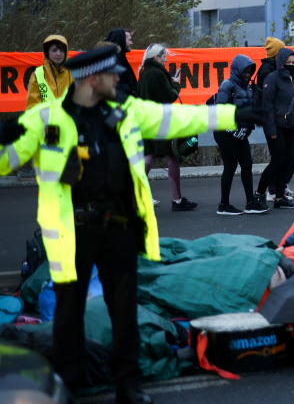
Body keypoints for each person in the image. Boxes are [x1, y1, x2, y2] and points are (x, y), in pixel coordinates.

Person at [0, 45, 254, 403]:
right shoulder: (45, 119)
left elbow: (176, 118)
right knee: (68, 313)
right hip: (72, 233)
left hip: (119, 230)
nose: (119, 79)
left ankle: (128, 384)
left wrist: (231, 114)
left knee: (124, 312)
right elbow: (7, 160)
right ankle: (70, 382)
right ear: (92, 78)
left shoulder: (126, 112)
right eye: (113, 74)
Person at [137, 43, 196, 212]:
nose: (165, 59)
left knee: (148, 158)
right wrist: (176, 84)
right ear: (155, 57)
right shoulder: (157, 74)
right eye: (163, 56)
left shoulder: (144, 73)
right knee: (172, 158)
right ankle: (177, 200)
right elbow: (169, 96)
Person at [213, 54, 268, 215]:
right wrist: (234, 130)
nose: (247, 74)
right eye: (244, 71)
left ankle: (250, 202)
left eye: (249, 71)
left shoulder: (247, 87)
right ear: (237, 70)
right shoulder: (227, 85)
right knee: (230, 166)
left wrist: (249, 126)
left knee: (247, 164)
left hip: (241, 133)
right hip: (225, 133)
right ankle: (223, 205)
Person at [261, 47, 294, 209]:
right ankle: (260, 193)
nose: (291, 65)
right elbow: (268, 106)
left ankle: (279, 196)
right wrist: (270, 130)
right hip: (277, 126)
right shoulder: (272, 79)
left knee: (289, 160)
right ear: (281, 63)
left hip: (290, 127)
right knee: (277, 161)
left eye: (293, 62)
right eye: (288, 63)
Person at [25, 34, 73, 109]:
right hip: (46, 120)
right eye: (54, 50)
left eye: (61, 50)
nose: (58, 53)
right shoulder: (37, 75)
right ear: (47, 53)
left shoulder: (74, 72)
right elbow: (32, 106)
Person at [104, 28, 137, 99]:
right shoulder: (111, 63)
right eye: (129, 40)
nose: (131, 43)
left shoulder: (121, 59)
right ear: (121, 40)